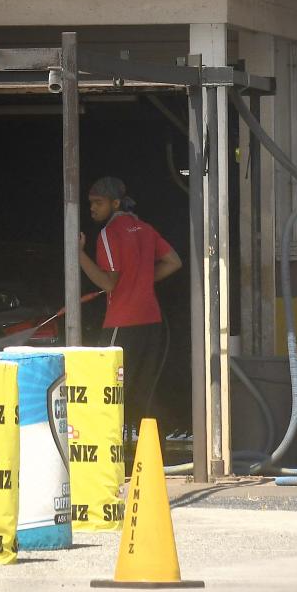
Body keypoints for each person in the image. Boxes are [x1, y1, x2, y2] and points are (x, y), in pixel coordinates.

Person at [78, 177, 182, 442]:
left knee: (112, 389)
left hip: (122, 323)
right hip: (152, 322)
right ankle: (148, 448)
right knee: (144, 389)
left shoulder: (108, 234)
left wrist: (77, 253)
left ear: (115, 203)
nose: (92, 208)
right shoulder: (144, 228)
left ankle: (112, 447)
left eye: (98, 203)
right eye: (91, 203)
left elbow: (107, 281)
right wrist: (144, 279)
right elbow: (173, 262)